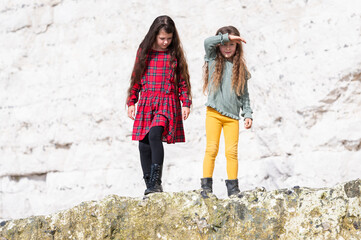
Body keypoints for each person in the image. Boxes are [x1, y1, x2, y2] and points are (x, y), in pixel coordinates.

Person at [126, 15, 192, 195]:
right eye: (162, 38)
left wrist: (185, 102)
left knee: (155, 133)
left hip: (167, 101)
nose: (165, 42)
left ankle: (156, 182)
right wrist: (132, 101)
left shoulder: (174, 53)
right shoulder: (144, 51)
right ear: (154, 35)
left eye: (169, 39)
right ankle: (149, 184)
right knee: (143, 143)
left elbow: (183, 80)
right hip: (147, 101)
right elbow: (136, 77)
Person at [200, 26, 253, 198]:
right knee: (212, 149)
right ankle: (206, 187)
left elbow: (244, 94)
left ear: (238, 46)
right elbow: (207, 42)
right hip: (214, 114)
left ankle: (233, 189)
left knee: (232, 152)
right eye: (225, 44)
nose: (228, 47)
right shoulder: (213, 59)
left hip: (232, 118)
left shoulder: (241, 69)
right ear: (219, 45)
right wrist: (227, 37)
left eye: (232, 44)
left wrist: (248, 114)